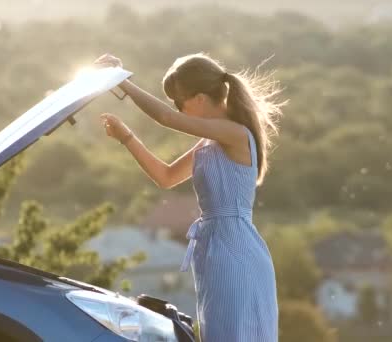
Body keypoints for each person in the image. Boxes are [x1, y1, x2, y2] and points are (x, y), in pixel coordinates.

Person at [95, 52, 285, 342]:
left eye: (179, 99)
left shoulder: (235, 133)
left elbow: (165, 117)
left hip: (236, 250)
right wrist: (127, 138)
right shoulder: (211, 141)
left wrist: (123, 82)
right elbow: (166, 177)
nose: (177, 107)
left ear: (198, 98)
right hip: (213, 248)